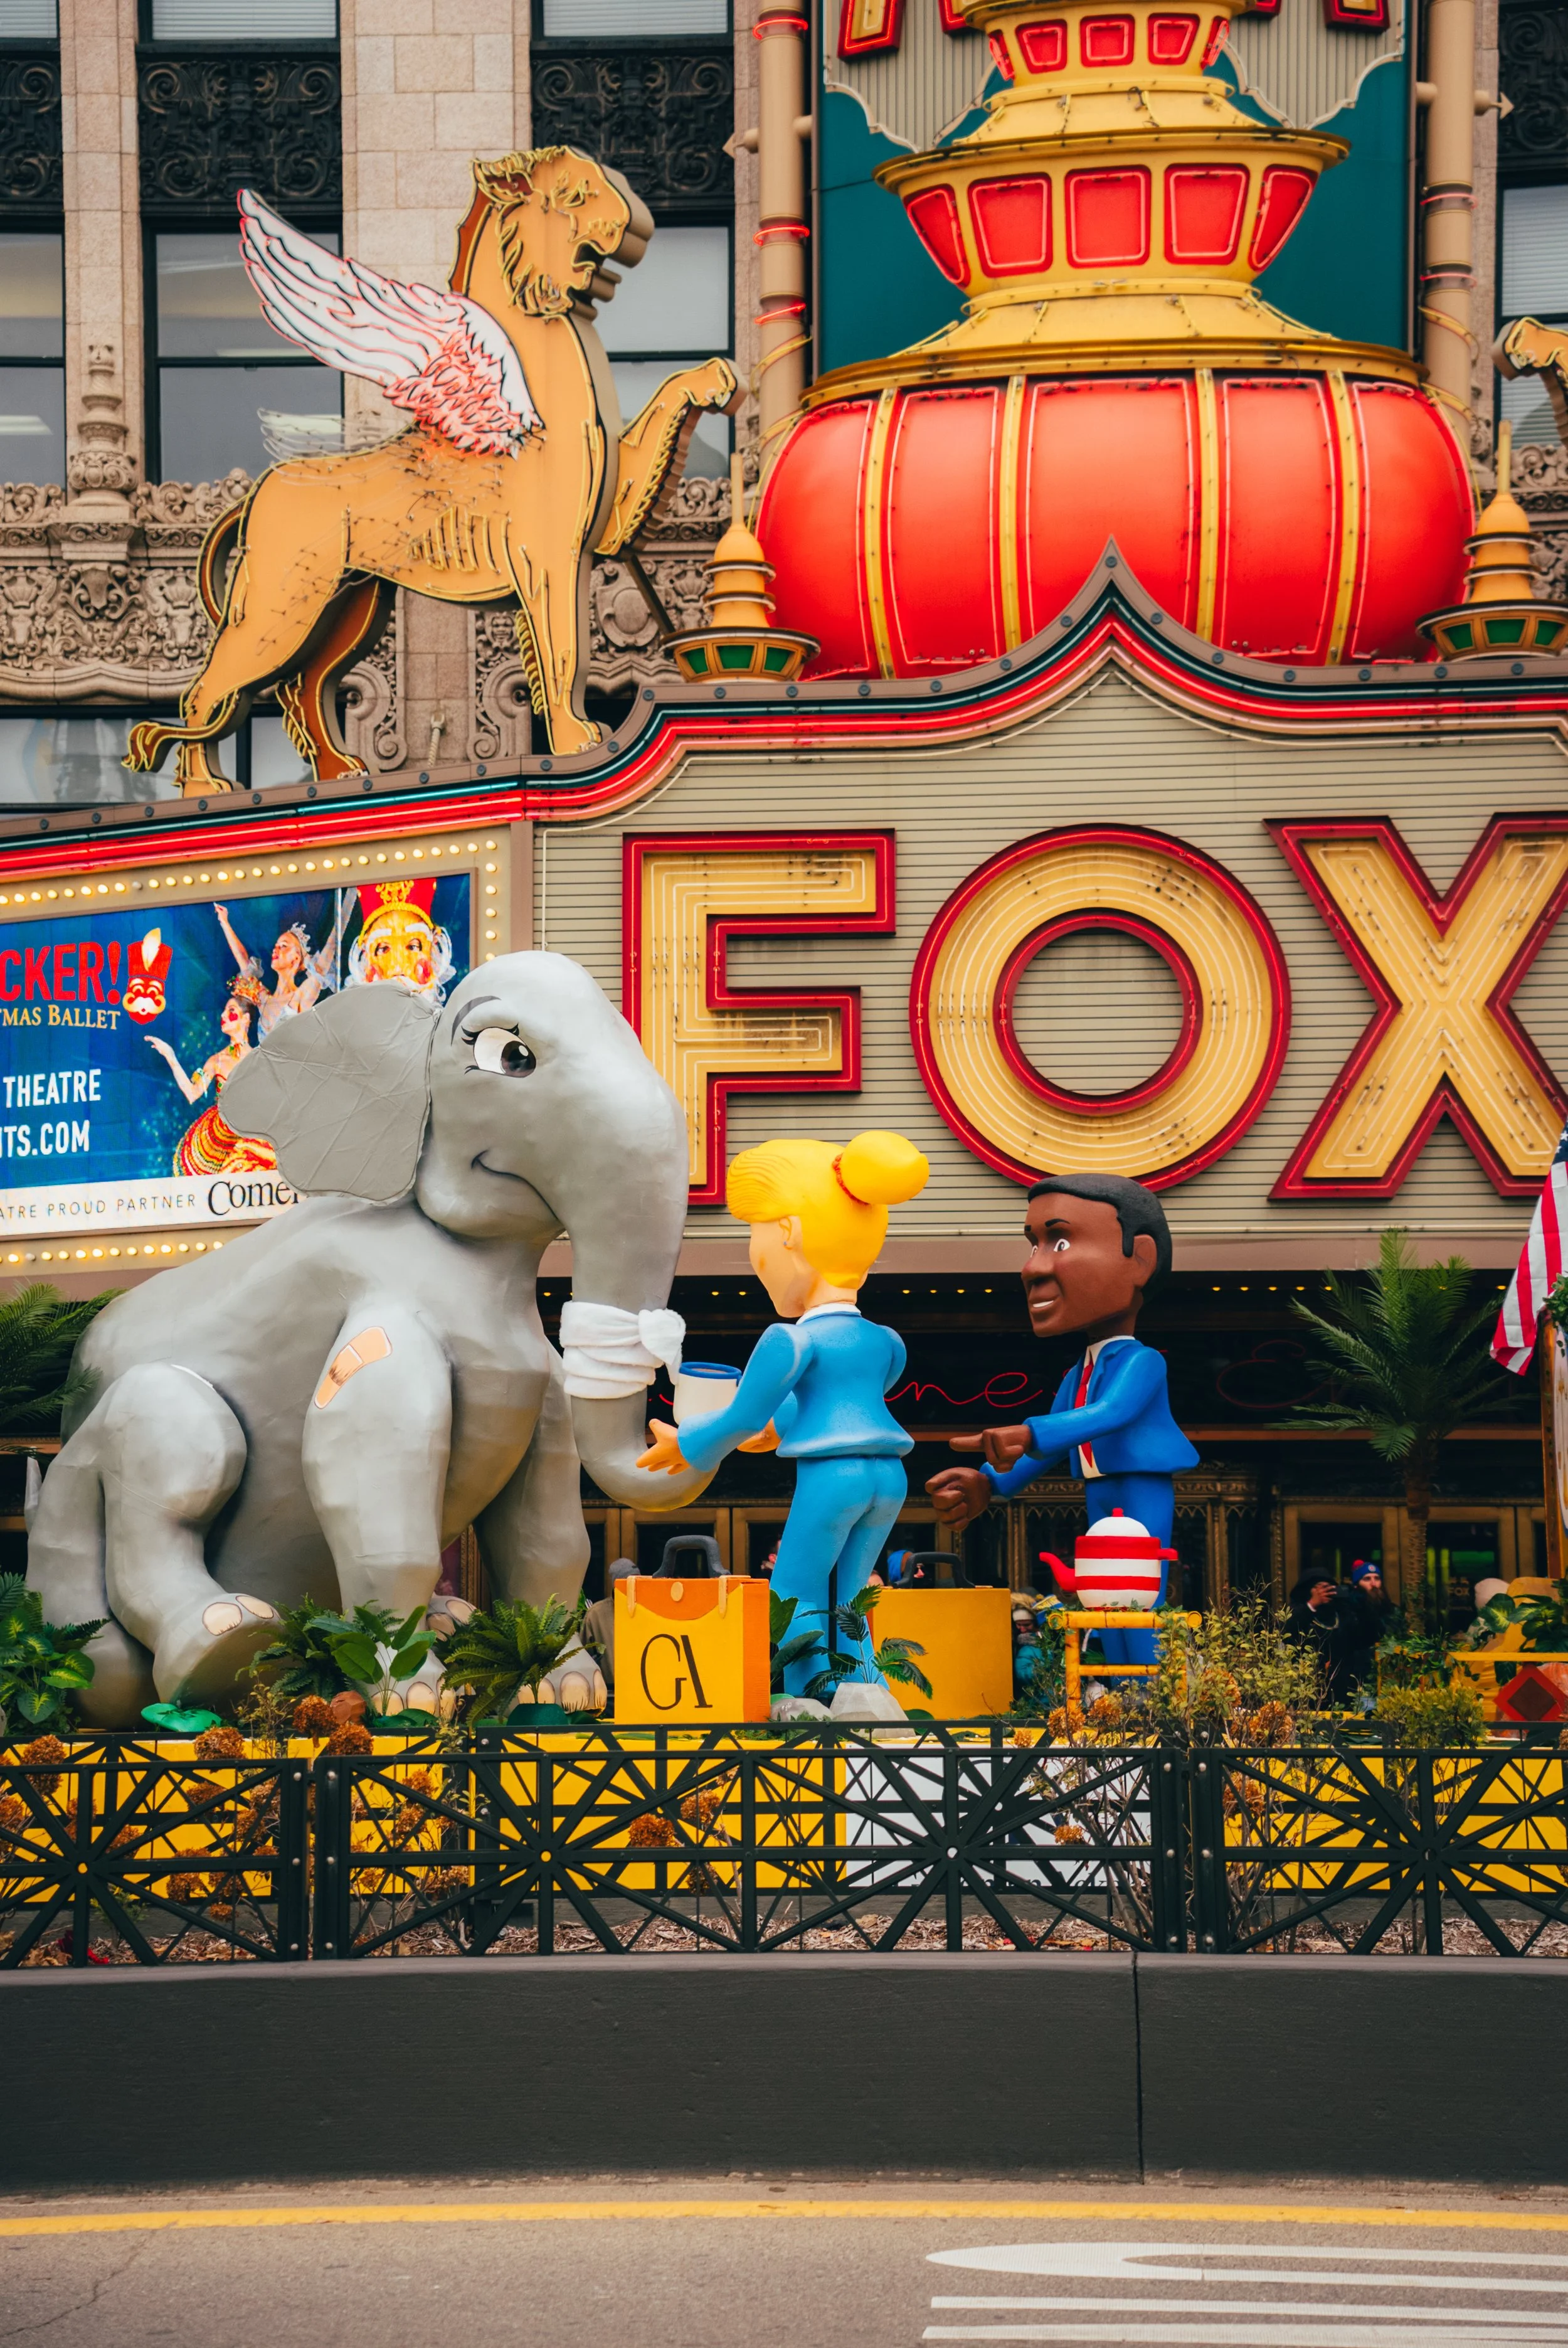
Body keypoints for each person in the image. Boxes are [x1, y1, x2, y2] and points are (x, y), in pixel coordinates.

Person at [638, 1130, 930, 1700]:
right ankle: (862, 1690)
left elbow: (743, 1418)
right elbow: (835, 1400)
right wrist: (783, 1426)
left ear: (789, 1233)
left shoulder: (787, 1341)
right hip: (889, 1477)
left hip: (832, 1478)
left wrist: (689, 1442)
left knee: (794, 1589)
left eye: (759, 1241)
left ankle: (806, 1700)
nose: (758, 1260)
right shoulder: (885, 1340)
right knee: (849, 1594)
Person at [924, 1173, 1197, 1668]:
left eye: (1061, 1239)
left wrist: (1029, 1432)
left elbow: (1109, 1414)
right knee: (1102, 1598)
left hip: (1139, 1488)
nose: (1034, 1267)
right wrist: (991, 1484)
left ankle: (1151, 1697)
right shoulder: (1079, 1371)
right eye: (1034, 1244)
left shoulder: (1142, 1362)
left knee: (1136, 1597)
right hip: (1101, 1492)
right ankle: (1121, 1696)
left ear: (1140, 1259)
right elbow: (1050, 1444)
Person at [146, 992, 278, 1176]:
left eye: (231, 1011)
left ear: (246, 1019)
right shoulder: (217, 1061)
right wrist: (171, 1056)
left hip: (254, 1133)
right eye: (223, 1012)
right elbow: (193, 1093)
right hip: (222, 1136)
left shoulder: (261, 1058)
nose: (223, 1016)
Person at [214, 897, 348, 1034]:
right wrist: (224, 922)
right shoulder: (264, 999)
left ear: (296, 958)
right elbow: (244, 961)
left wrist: (349, 899)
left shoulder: (302, 995)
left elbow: (330, 948)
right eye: (276, 946)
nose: (275, 950)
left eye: (283, 946)